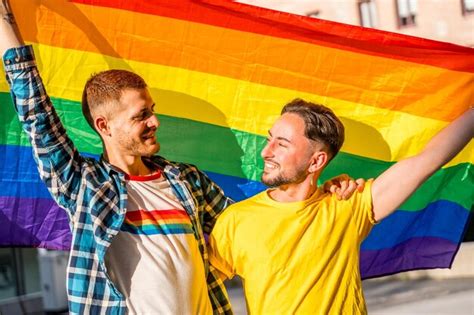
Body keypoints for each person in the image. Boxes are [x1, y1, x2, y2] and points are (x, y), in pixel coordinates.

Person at [0, 2, 363, 314]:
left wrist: (319, 188)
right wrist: (4, 21)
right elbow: (36, 113)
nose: (155, 122)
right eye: (141, 116)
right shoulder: (85, 185)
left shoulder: (185, 180)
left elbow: (259, 223)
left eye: (152, 111)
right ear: (104, 125)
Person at [208, 98, 473, 314]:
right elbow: (194, 289)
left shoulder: (346, 205)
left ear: (316, 162)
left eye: (282, 144)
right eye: (270, 139)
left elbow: (427, 161)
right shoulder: (236, 220)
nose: (266, 151)